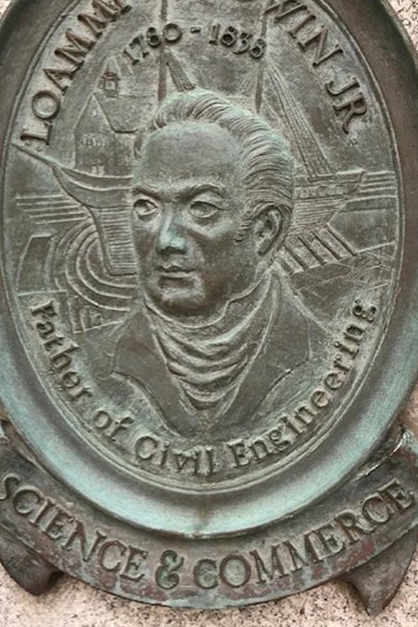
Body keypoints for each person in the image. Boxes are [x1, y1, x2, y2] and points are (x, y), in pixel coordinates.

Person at [102, 88, 325, 438]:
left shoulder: (323, 356)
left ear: (265, 231)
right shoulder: (97, 357)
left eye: (201, 208)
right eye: (147, 207)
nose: (165, 240)